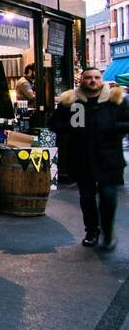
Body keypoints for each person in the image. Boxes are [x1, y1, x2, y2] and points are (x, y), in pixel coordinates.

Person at [49, 67, 129, 249]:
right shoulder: (71, 101)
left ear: (102, 79)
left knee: (108, 196)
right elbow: (53, 123)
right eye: (88, 78)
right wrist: (71, 128)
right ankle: (92, 231)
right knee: (87, 197)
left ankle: (108, 232)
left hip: (109, 158)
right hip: (82, 157)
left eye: (97, 77)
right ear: (81, 80)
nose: (93, 81)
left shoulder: (116, 100)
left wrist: (113, 127)